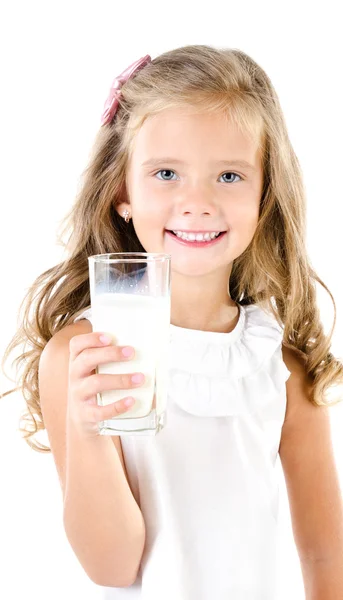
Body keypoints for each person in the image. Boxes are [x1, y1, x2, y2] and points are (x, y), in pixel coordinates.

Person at [2, 44, 343, 598]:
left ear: (264, 197)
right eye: (166, 173)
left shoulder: (281, 366)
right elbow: (112, 566)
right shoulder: (84, 356)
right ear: (122, 192)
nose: (198, 202)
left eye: (229, 176)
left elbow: (326, 555)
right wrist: (89, 431)